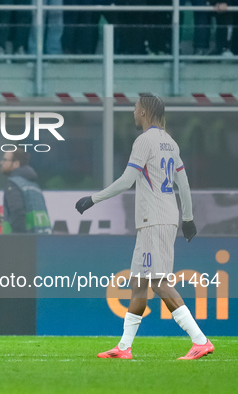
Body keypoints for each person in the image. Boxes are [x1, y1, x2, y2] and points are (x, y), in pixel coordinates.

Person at [75, 94, 213, 360]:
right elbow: (182, 184)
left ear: (145, 112)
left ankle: (201, 340)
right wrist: (188, 218)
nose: (133, 113)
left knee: (159, 282)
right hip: (163, 218)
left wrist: (93, 199)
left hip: (154, 220)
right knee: (138, 283)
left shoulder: (144, 141)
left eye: (135, 109)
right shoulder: (170, 143)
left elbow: (128, 180)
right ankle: (124, 347)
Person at [0, 148, 51, 234]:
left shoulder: (13, 184)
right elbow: (30, 213)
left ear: (16, 163)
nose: (1, 162)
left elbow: (17, 212)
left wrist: (19, 239)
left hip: (24, 242)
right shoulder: (33, 185)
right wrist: (5, 218)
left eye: (5, 160)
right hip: (40, 239)